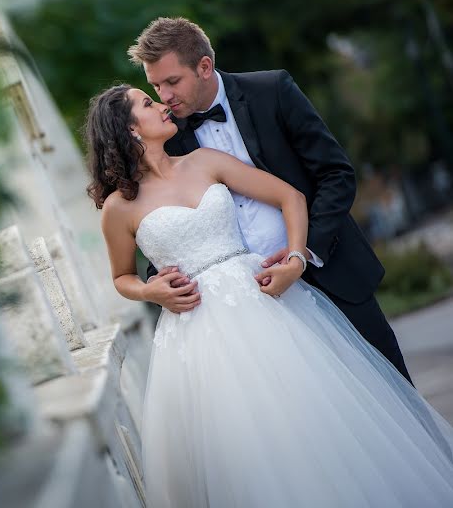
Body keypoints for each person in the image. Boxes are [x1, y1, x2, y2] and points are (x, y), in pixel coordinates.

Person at [84, 83, 453, 506]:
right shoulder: (118, 208)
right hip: (199, 337)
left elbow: (289, 197)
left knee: (320, 422)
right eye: (148, 104)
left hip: (265, 302)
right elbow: (121, 278)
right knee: (249, 446)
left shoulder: (204, 161)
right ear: (130, 130)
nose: (162, 103)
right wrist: (152, 291)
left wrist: (296, 258)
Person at [125, 17, 412, 383]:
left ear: (204, 66)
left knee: (395, 394)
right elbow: (164, 221)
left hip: (328, 274)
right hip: (251, 312)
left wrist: (303, 254)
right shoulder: (166, 134)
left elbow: (335, 175)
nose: (164, 97)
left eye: (172, 82)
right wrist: (159, 283)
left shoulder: (271, 90)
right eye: (155, 86)